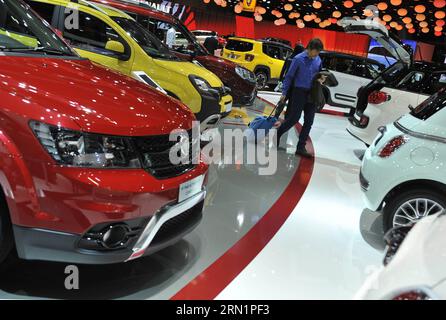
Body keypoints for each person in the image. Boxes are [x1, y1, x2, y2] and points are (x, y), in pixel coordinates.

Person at [276, 38, 324, 158]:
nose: (317, 54)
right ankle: (278, 133)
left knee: (309, 121)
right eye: (316, 52)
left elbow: (319, 73)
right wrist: (284, 93)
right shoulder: (298, 59)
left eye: (318, 52)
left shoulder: (318, 59)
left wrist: (321, 79)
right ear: (310, 49)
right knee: (294, 118)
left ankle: (300, 147)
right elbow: (289, 76)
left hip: (312, 93)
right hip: (298, 92)